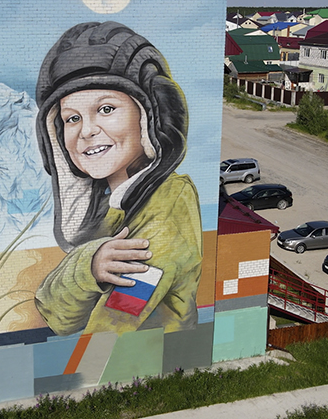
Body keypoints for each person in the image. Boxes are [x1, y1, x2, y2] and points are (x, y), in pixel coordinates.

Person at [34, 21, 202, 337]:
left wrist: (83, 380)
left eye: (106, 108)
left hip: (157, 365)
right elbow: (52, 310)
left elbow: (113, 328)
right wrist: (91, 265)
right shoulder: (108, 209)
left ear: (152, 116)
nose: (86, 130)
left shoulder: (169, 207)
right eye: (72, 118)